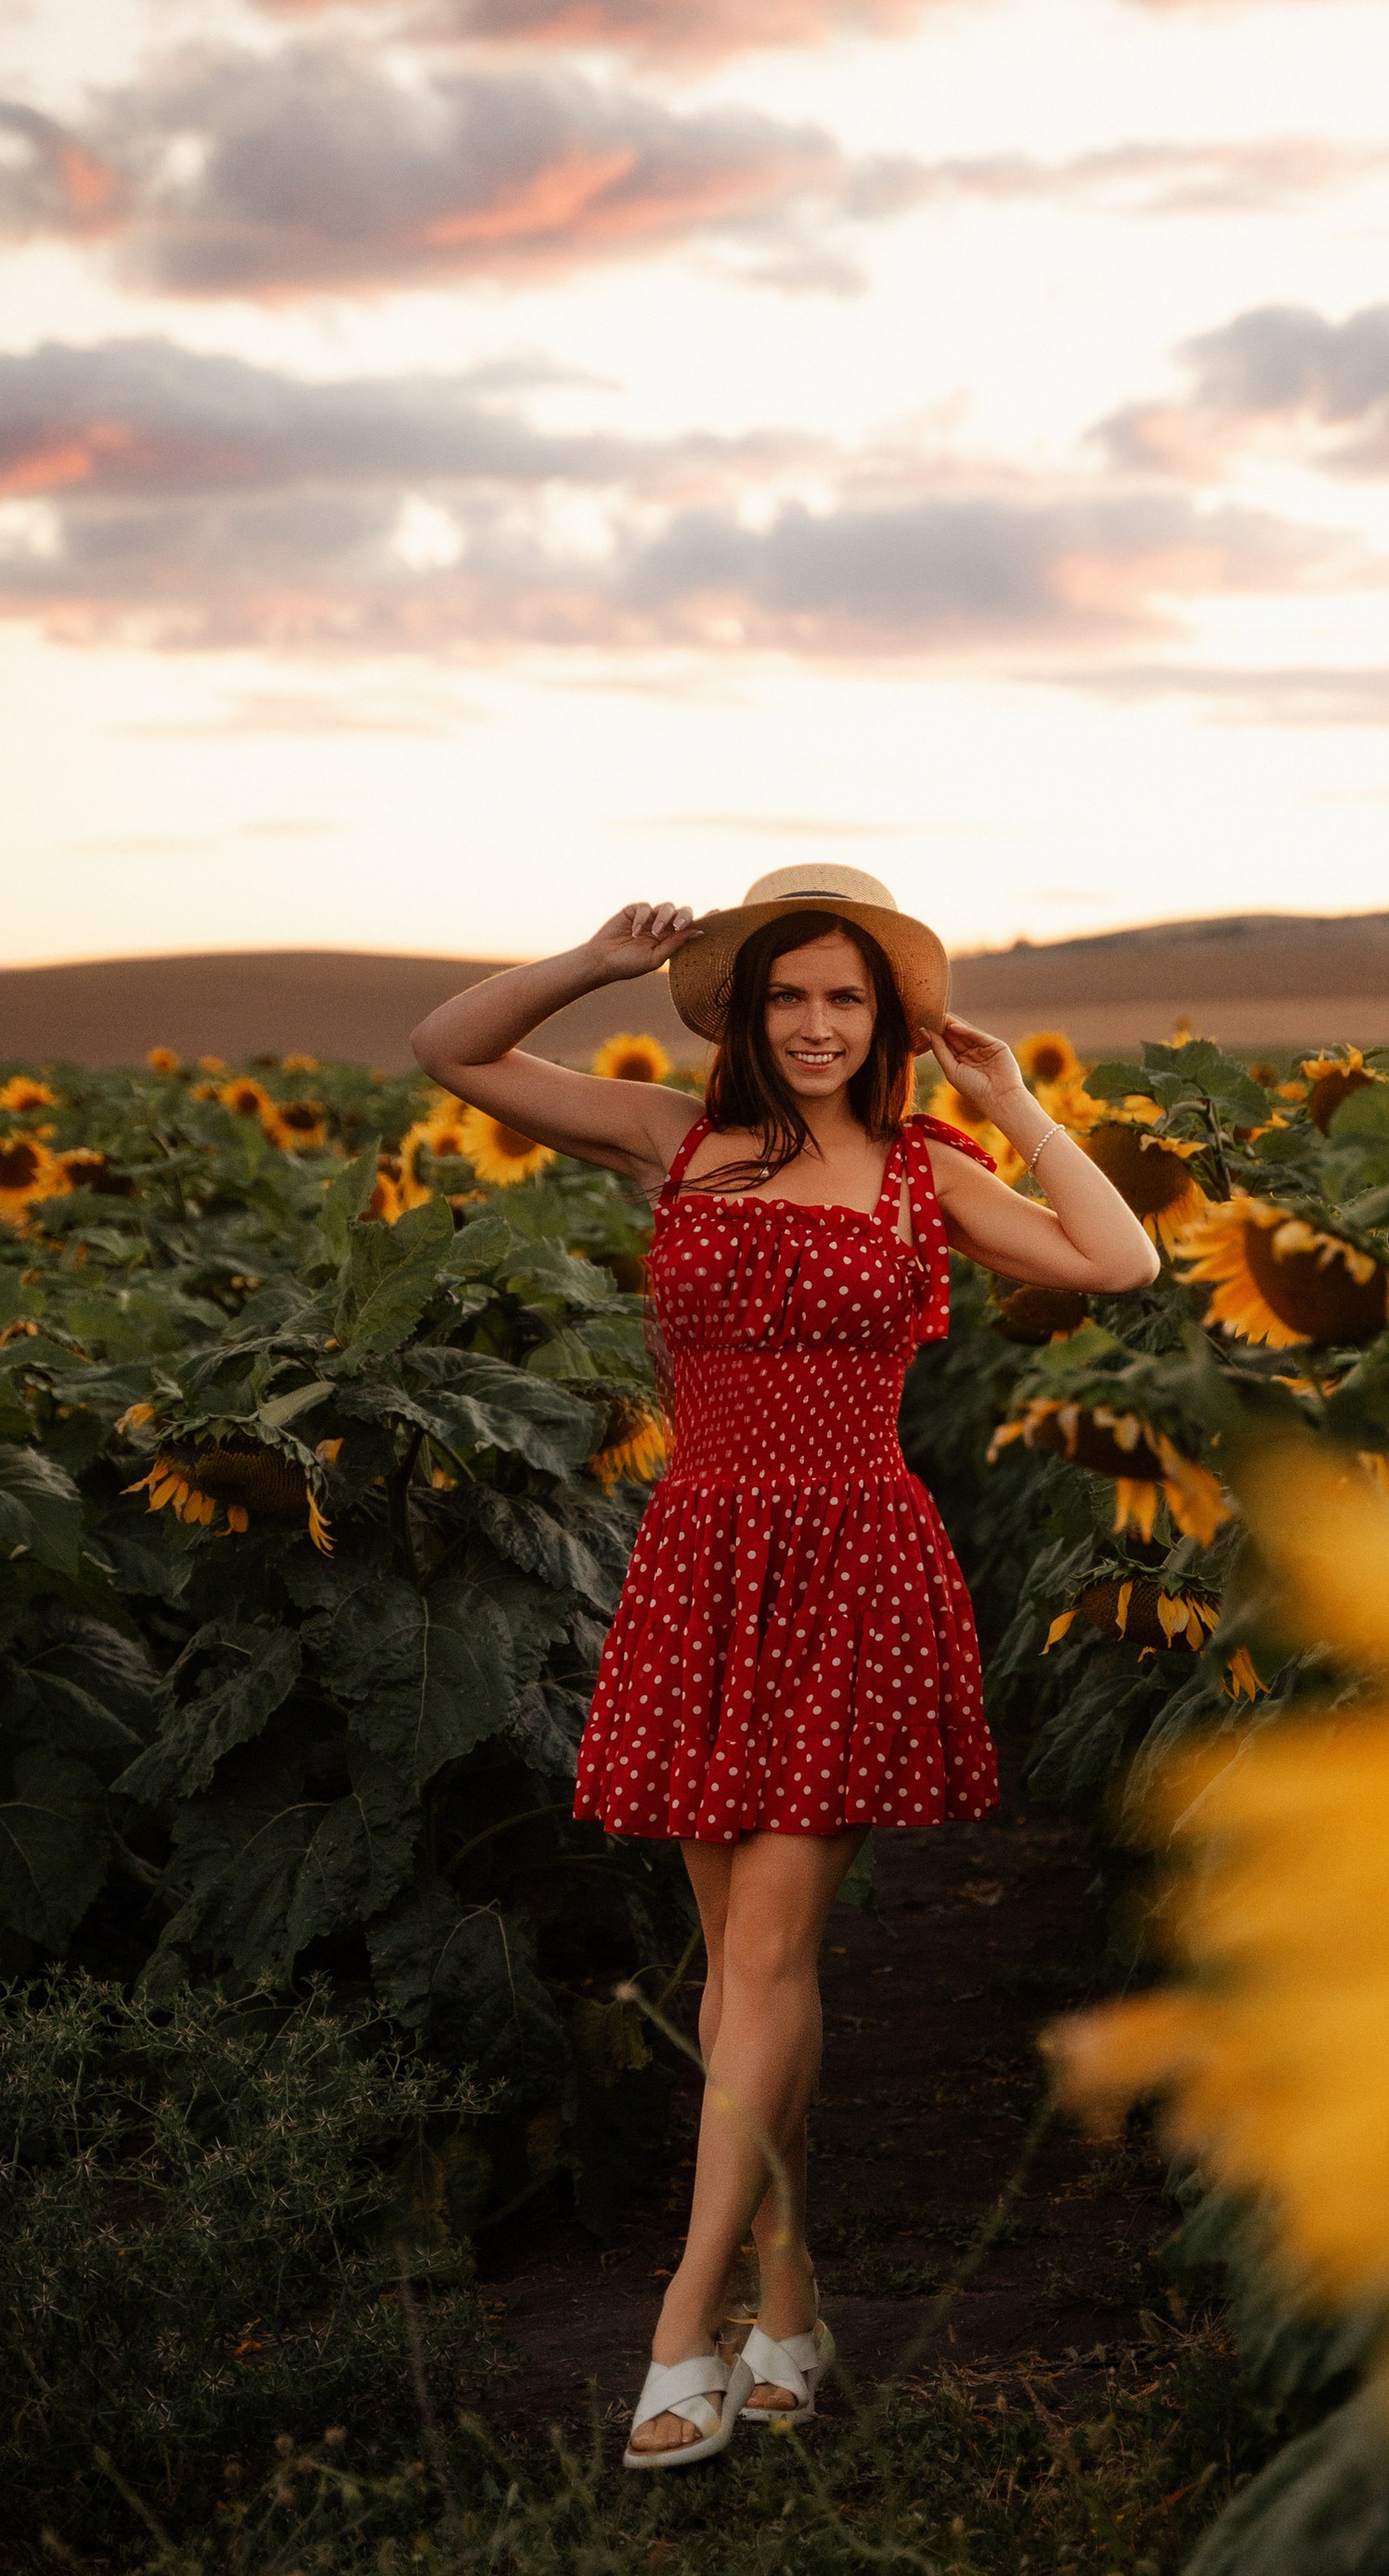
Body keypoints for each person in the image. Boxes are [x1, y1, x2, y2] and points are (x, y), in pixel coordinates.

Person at [411, 865, 1160, 2467]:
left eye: (846, 999)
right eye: (789, 996)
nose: (817, 1025)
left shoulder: (921, 1172)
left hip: (854, 1574)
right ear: (748, 1014)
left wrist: (1017, 1103)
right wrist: (589, 964)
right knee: (749, 1973)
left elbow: (1119, 1262)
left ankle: (683, 2324)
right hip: (703, 1567)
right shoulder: (673, 1142)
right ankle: (791, 2295)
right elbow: (452, 1049)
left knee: (760, 1964)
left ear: (884, 1020)